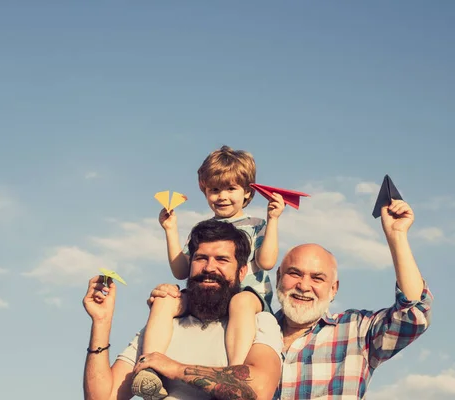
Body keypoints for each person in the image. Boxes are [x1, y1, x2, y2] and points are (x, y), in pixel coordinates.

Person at [150, 199, 433, 399]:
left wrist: (396, 235)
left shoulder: (357, 332)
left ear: (334, 289)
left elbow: (413, 316)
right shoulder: (249, 329)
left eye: (317, 278)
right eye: (294, 274)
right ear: (277, 279)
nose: (303, 286)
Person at [134, 145, 286, 398]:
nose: (222, 196)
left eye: (230, 189)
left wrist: (273, 220)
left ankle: (230, 373)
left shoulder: (255, 225)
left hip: (246, 297)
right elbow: (181, 271)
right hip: (206, 296)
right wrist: (171, 230)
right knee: (164, 299)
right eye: (214, 190)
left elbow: (267, 261)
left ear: (248, 192)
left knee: (240, 301)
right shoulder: (201, 229)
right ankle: (149, 368)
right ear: (204, 191)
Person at [82, 219, 283, 400]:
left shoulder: (258, 323)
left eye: (222, 260)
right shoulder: (163, 326)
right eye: (201, 258)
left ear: (241, 272)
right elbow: (103, 397)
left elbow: (259, 391)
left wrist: (175, 369)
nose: (209, 267)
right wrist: (102, 322)